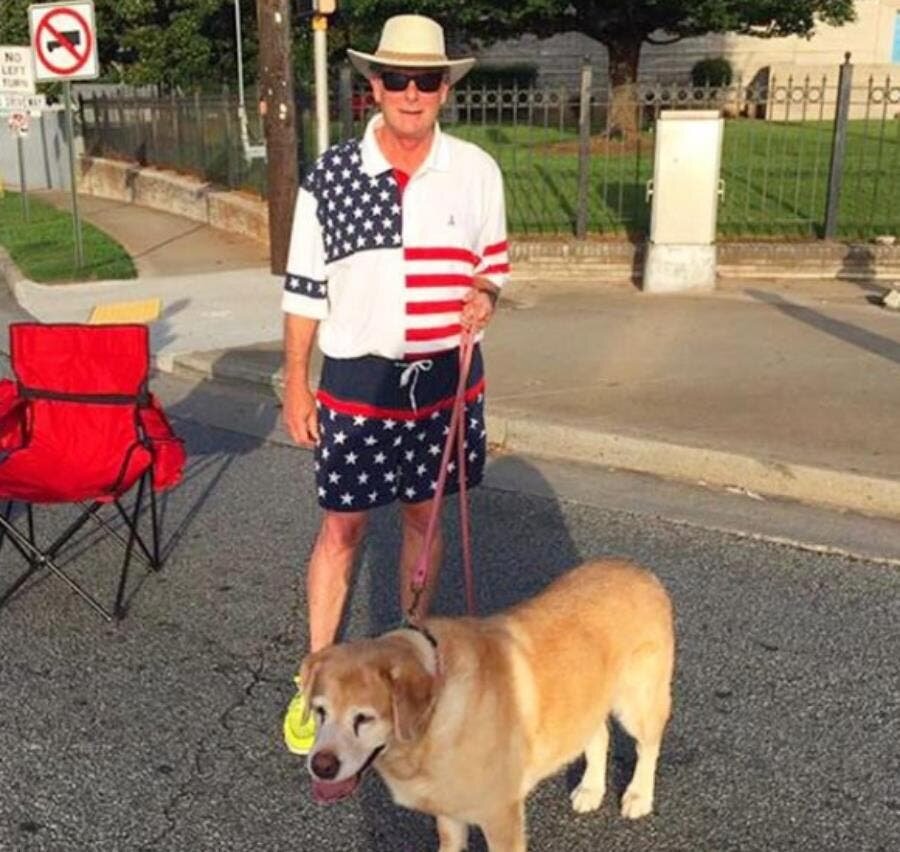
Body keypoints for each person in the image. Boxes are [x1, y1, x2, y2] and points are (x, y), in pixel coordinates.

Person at [281, 14, 509, 754]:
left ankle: (410, 658)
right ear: (373, 85)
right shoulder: (332, 177)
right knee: (342, 530)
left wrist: (487, 297)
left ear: (445, 88)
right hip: (357, 381)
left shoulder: (476, 170)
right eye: (398, 79)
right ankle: (316, 680)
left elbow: (491, 265)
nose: (412, 93)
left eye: (428, 80)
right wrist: (295, 381)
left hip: (445, 381)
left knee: (423, 523)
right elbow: (304, 292)